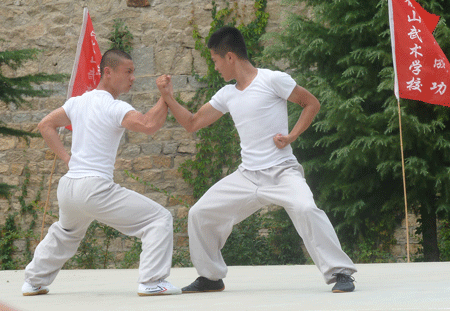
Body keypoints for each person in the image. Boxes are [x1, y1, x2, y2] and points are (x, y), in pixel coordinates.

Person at [156, 26, 357, 293]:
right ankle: (211, 277)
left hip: (282, 172)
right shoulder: (227, 94)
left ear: (230, 57)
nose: (215, 67)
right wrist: (168, 97)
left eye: (215, 60)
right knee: (200, 213)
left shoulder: (272, 80)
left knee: (307, 209)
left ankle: (340, 273)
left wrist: (292, 135)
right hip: (247, 176)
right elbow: (192, 123)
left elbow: (311, 103)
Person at [22, 49, 181, 297]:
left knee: (66, 232)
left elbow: (46, 125)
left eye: (133, 72)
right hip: (93, 188)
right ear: (108, 72)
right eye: (128, 71)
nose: (133, 78)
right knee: (159, 219)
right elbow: (148, 125)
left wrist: (67, 159)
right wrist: (165, 97)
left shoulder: (77, 102)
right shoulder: (114, 107)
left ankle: (33, 281)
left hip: (69, 187)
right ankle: (152, 281)